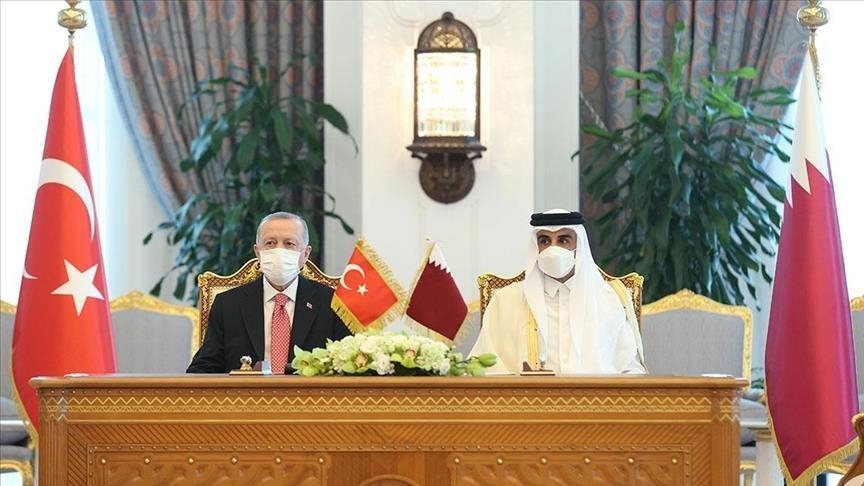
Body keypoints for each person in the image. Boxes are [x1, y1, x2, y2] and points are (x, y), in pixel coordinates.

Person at [471, 209, 645, 374]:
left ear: (579, 247)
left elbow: (630, 368)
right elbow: (484, 364)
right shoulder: (506, 301)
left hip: (594, 395)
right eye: (545, 241)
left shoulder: (608, 300)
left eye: (563, 241)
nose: (552, 249)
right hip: (526, 395)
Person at [187, 211, 351, 374]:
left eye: (289, 244)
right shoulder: (228, 304)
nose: (279, 251)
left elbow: (347, 367)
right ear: (257, 252)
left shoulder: (332, 303)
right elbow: (202, 369)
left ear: (306, 254)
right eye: (270, 243)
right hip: (246, 391)